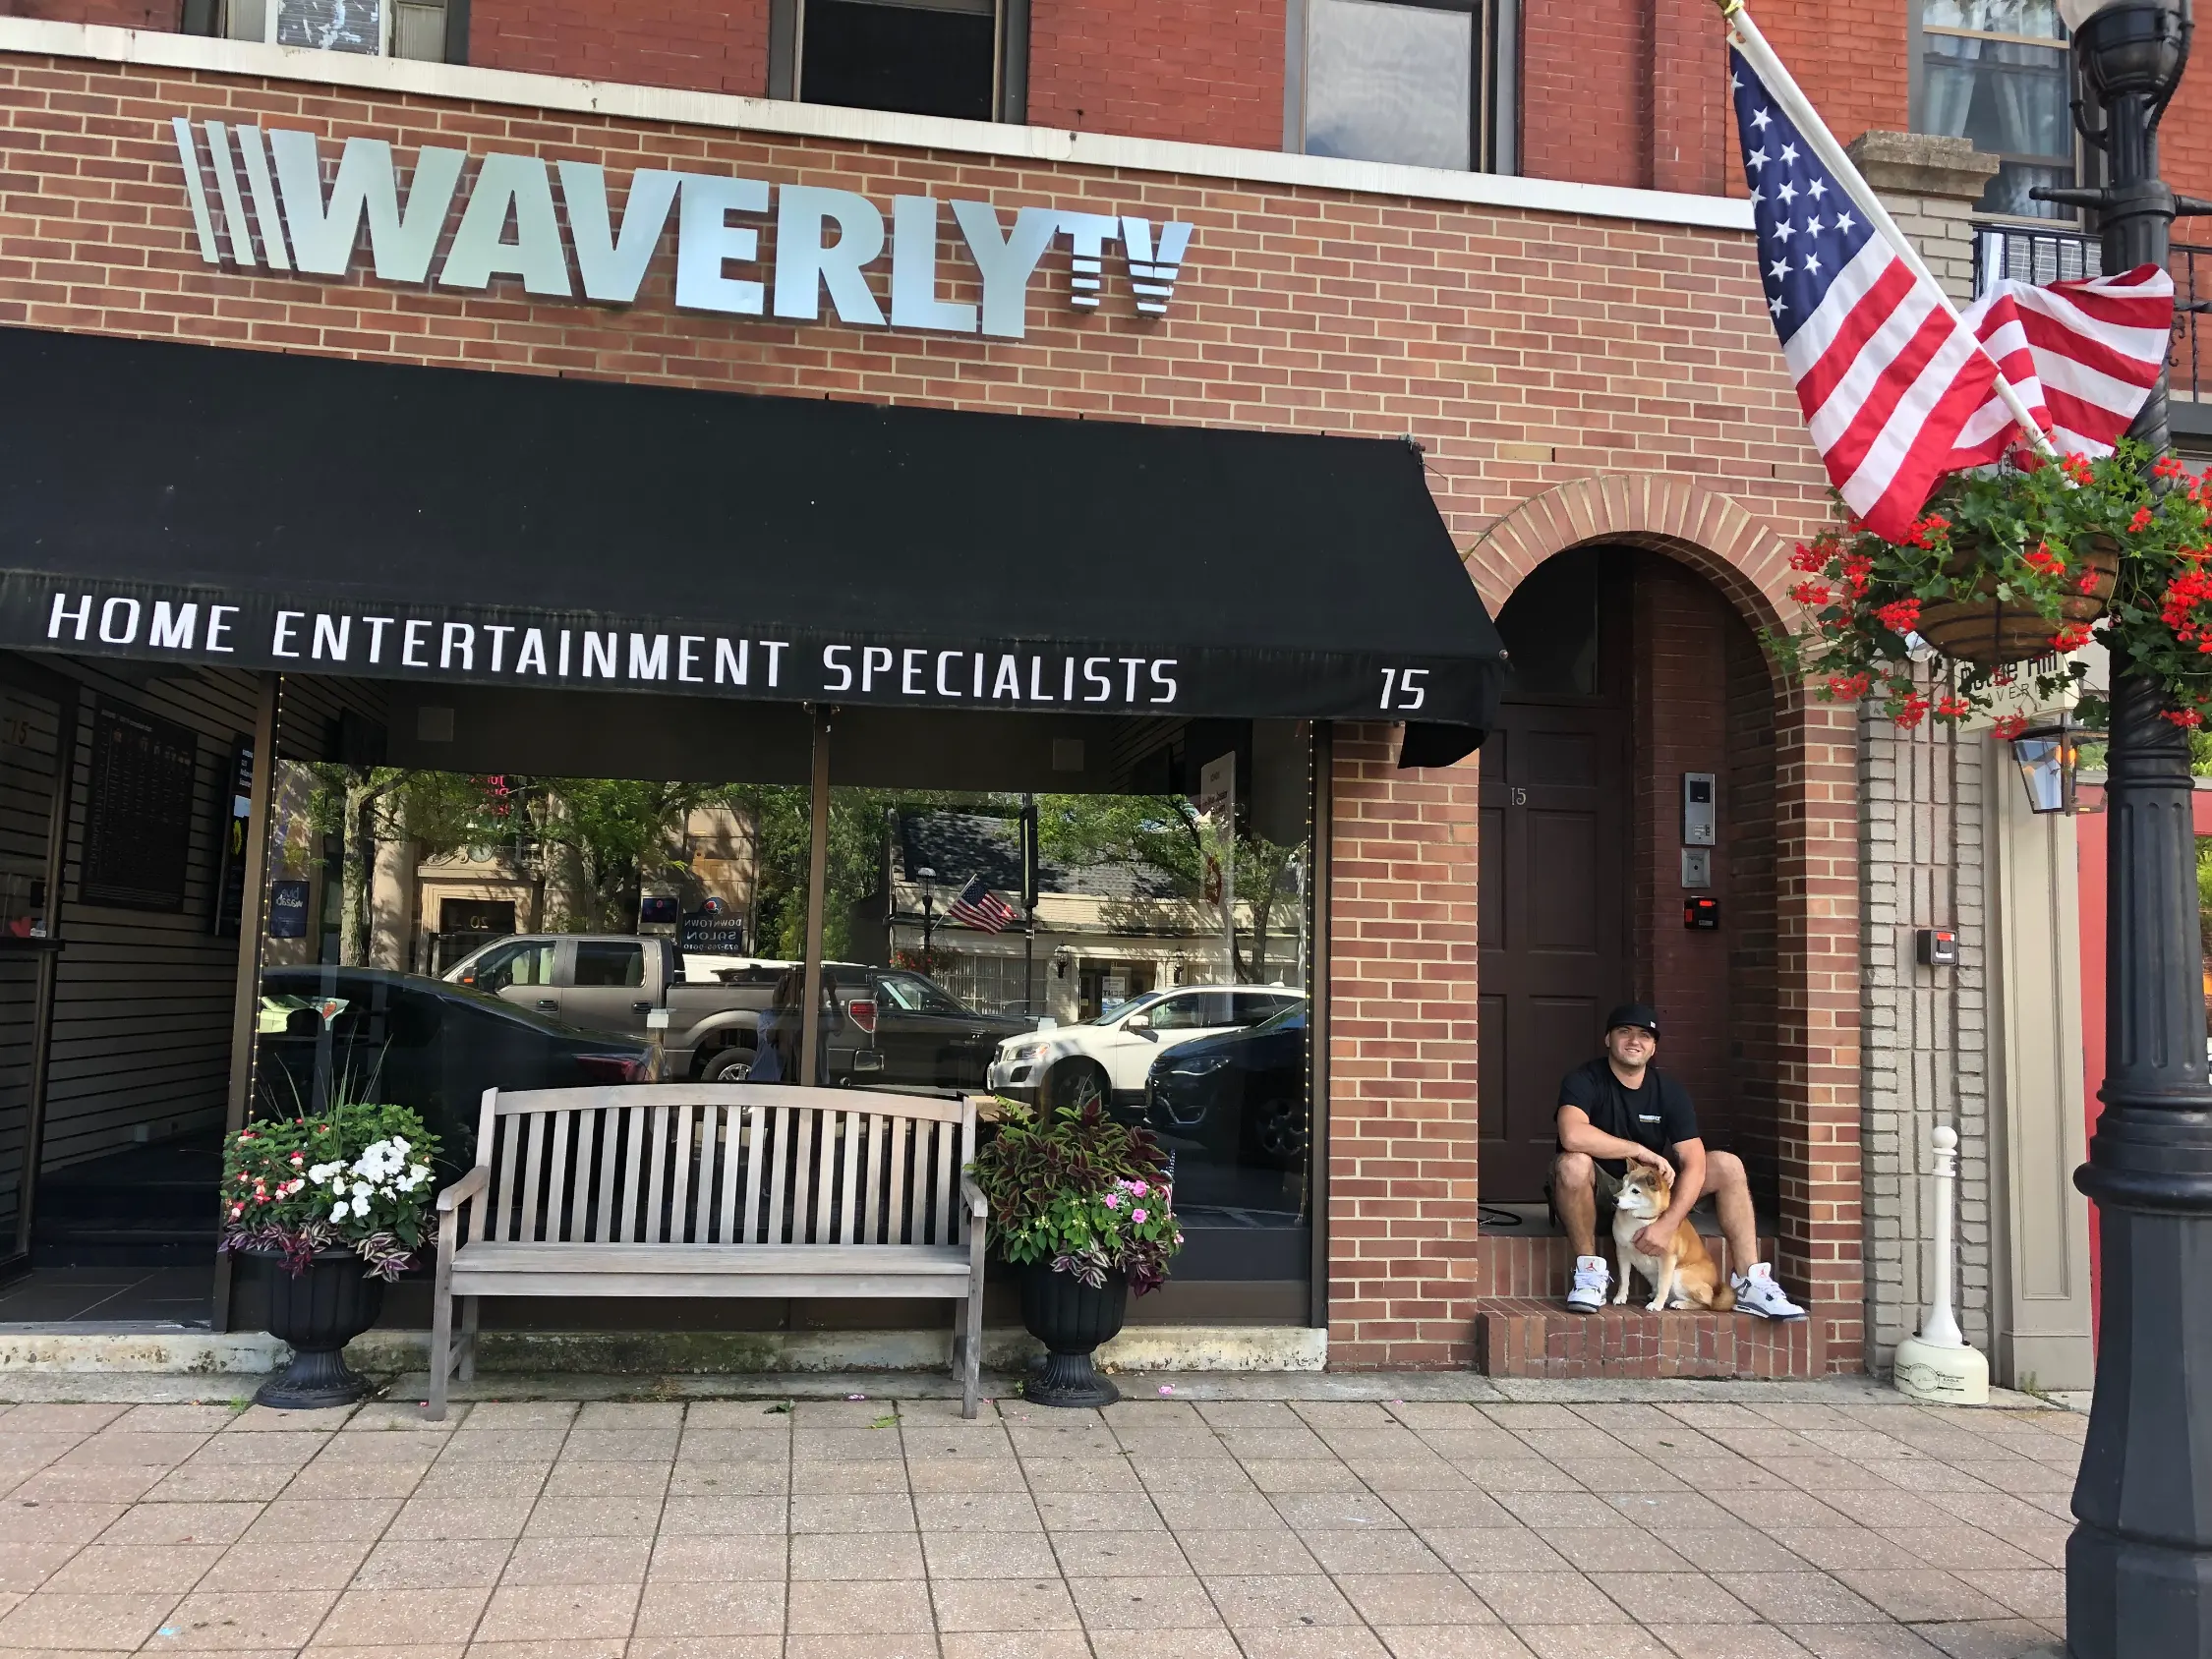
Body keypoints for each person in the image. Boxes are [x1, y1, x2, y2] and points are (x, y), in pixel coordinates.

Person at [1553, 1002, 1804, 1319]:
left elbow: (1696, 1162)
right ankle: (1589, 1273)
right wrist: (1640, 1151)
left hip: (1652, 1200)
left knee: (1726, 1165)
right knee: (1573, 1164)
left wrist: (1668, 1224)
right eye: (1624, 1032)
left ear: (1654, 1045)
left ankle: (1751, 1282)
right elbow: (1572, 1136)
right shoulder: (1584, 1080)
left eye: (1645, 1035)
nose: (1635, 1041)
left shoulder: (1669, 1092)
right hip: (1599, 1193)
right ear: (1608, 1039)